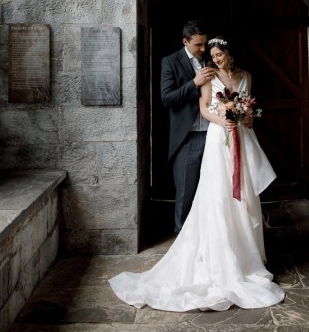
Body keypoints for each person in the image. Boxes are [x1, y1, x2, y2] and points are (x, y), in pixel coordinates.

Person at [109, 35, 285, 311]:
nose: (214, 59)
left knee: (244, 194)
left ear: (228, 53)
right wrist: (224, 120)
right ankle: (219, 257)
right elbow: (204, 110)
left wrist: (245, 117)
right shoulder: (209, 77)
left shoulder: (245, 76)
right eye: (211, 56)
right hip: (218, 137)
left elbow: (248, 108)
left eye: (218, 55)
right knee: (217, 194)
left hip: (241, 136)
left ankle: (245, 257)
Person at [160, 19, 216, 234]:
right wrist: (194, 83)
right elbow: (167, 98)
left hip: (213, 133)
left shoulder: (211, 58)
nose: (204, 49)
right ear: (185, 41)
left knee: (213, 190)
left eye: (205, 43)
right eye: (198, 45)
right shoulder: (170, 62)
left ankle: (209, 239)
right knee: (186, 192)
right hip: (188, 137)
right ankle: (182, 241)